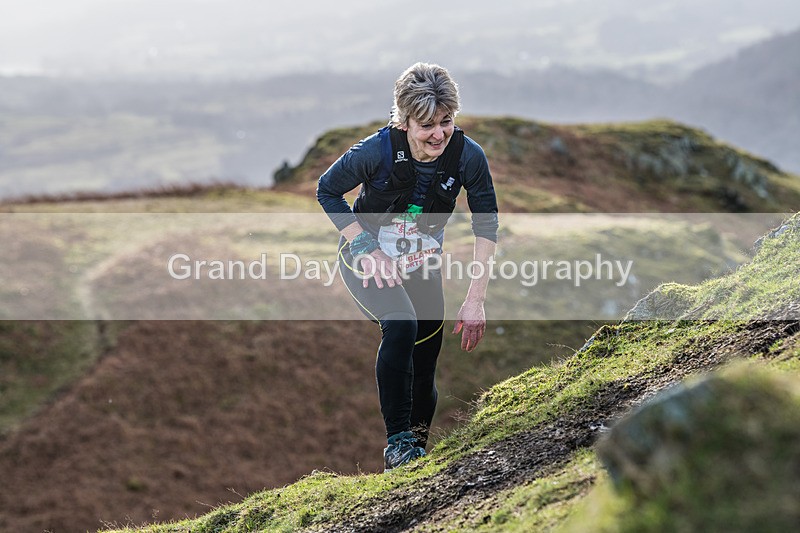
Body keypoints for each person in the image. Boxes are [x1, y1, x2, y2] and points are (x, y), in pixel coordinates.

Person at [316, 62, 498, 471]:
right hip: (366, 258)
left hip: (420, 264)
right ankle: (397, 446)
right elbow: (327, 190)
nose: (438, 134)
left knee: (425, 358)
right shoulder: (375, 151)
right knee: (401, 325)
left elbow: (486, 225)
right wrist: (365, 246)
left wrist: (475, 300)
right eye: (426, 125)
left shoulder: (468, 156)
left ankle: (414, 456)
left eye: (446, 122)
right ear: (404, 122)